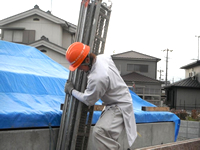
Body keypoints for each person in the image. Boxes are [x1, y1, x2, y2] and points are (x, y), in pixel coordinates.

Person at [64, 42, 137, 150]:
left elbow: (88, 100)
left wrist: (72, 91)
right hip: (117, 102)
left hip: (119, 106)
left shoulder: (97, 77)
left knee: (99, 132)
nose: (80, 70)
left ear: (87, 60)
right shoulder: (103, 58)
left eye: (80, 67)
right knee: (106, 136)